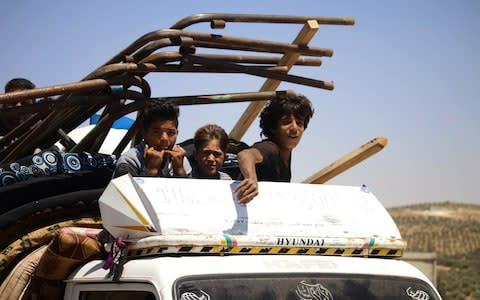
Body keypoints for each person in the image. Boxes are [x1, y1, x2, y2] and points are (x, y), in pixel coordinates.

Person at [234, 94, 314, 204]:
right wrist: (251, 179)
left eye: (299, 123)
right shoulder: (270, 148)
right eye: (286, 122)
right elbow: (245, 155)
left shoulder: (286, 154)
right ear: (273, 128)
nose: (294, 128)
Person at [112, 100, 190, 178]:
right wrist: (150, 171)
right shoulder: (130, 161)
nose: (164, 139)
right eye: (156, 132)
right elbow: (124, 190)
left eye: (171, 133)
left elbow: (190, 190)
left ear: (177, 133)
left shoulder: (181, 161)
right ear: (144, 133)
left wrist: (180, 171)